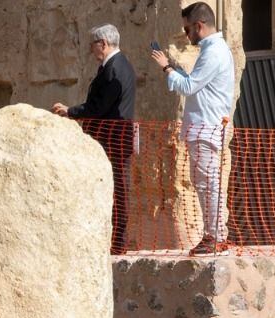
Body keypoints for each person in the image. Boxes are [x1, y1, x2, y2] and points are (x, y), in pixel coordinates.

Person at [150, 2, 235, 256]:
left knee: (208, 183)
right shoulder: (213, 50)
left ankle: (216, 236)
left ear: (199, 25)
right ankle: (214, 235)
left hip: (205, 125)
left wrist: (166, 68)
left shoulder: (213, 51)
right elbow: (196, 83)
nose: (187, 36)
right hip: (204, 125)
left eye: (188, 30)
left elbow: (189, 87)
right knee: (205, 182)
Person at [52, 23, 137, 254]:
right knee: (116, 188)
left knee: (116, 190)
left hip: (113, 140)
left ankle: (117, 243)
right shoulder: (119, 65)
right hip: (114, 138)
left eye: (93, 45)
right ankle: (115, 241)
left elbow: (99, 107)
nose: (91, 51)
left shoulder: (114, 69)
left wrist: (71, 112)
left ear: (104, 44)